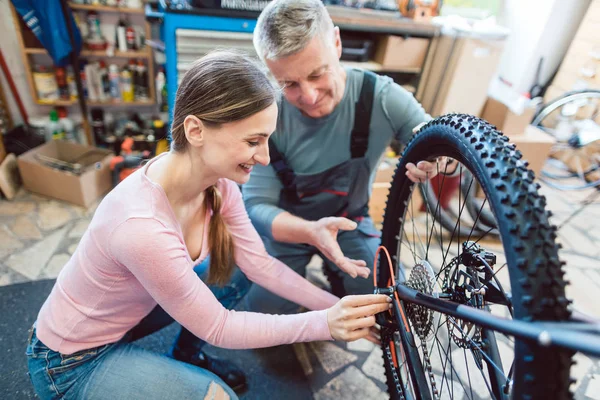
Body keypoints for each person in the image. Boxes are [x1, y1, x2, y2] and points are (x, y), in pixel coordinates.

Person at [25, 51, 392, 400]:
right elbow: (219, 326)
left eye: (267, 140)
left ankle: (185, 357)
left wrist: (343, 308)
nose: (264, 157)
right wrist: (325, 323)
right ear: (196, 130)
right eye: (253, 141)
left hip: (124, 320)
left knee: (236, 268)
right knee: (220, 397)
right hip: (71, 362)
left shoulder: (219, 186)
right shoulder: (141, 225)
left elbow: (260, 265)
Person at [242, 0, 442, 314]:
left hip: (350, 221)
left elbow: (436, 137)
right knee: (264, 312)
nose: (308, 96)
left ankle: (339, 274)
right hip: (289, 229)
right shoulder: (268, 115)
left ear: (336, 42)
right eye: (289, 84)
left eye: (317, 74)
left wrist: (434, 159)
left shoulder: (381, 97)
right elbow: (255, 206)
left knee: (384, 296)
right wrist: (311, 232)